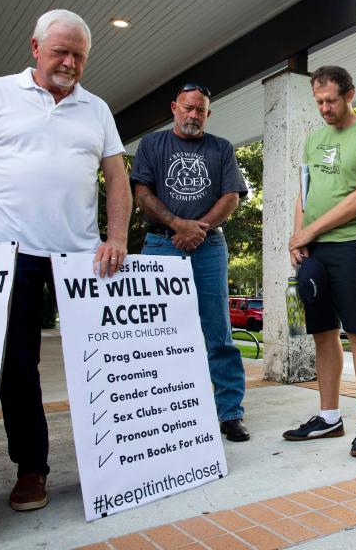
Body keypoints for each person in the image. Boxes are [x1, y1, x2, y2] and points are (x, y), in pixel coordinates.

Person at [0, 9, 132, 511]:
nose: (69, 62)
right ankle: (31, 468)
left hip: (83, 258)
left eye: (79, 56)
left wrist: (116, 237)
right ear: (34, 48)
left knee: (101, 360)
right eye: (60, 52)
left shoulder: (97, 109)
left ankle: (120, 462)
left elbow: (116, 178)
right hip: (9, 253)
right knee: (18, 365)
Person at [130, 82, 250, 443]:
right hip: (161, 244)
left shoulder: (221, 148)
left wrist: (197, 229)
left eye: (200, 110)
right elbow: (141, 193)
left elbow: (232, 197)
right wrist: (176, 225)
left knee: (219, 331)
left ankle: (230, 413)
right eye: (187, 108)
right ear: (174, 108)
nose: (193, 115)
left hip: (209, 246)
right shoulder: (152, 145)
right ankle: (165, 408)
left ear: (208, 114)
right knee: (159, 332)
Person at [283, 66, 356, 456]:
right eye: (319, 101)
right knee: (322, 332)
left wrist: (310, 231)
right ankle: (329, 417)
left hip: (355, 243)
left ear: (349, 94)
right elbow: (303, 193)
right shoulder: (314, 138)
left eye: (331, 100)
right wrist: (298, 236)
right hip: (314, 250)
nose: (324, 108)